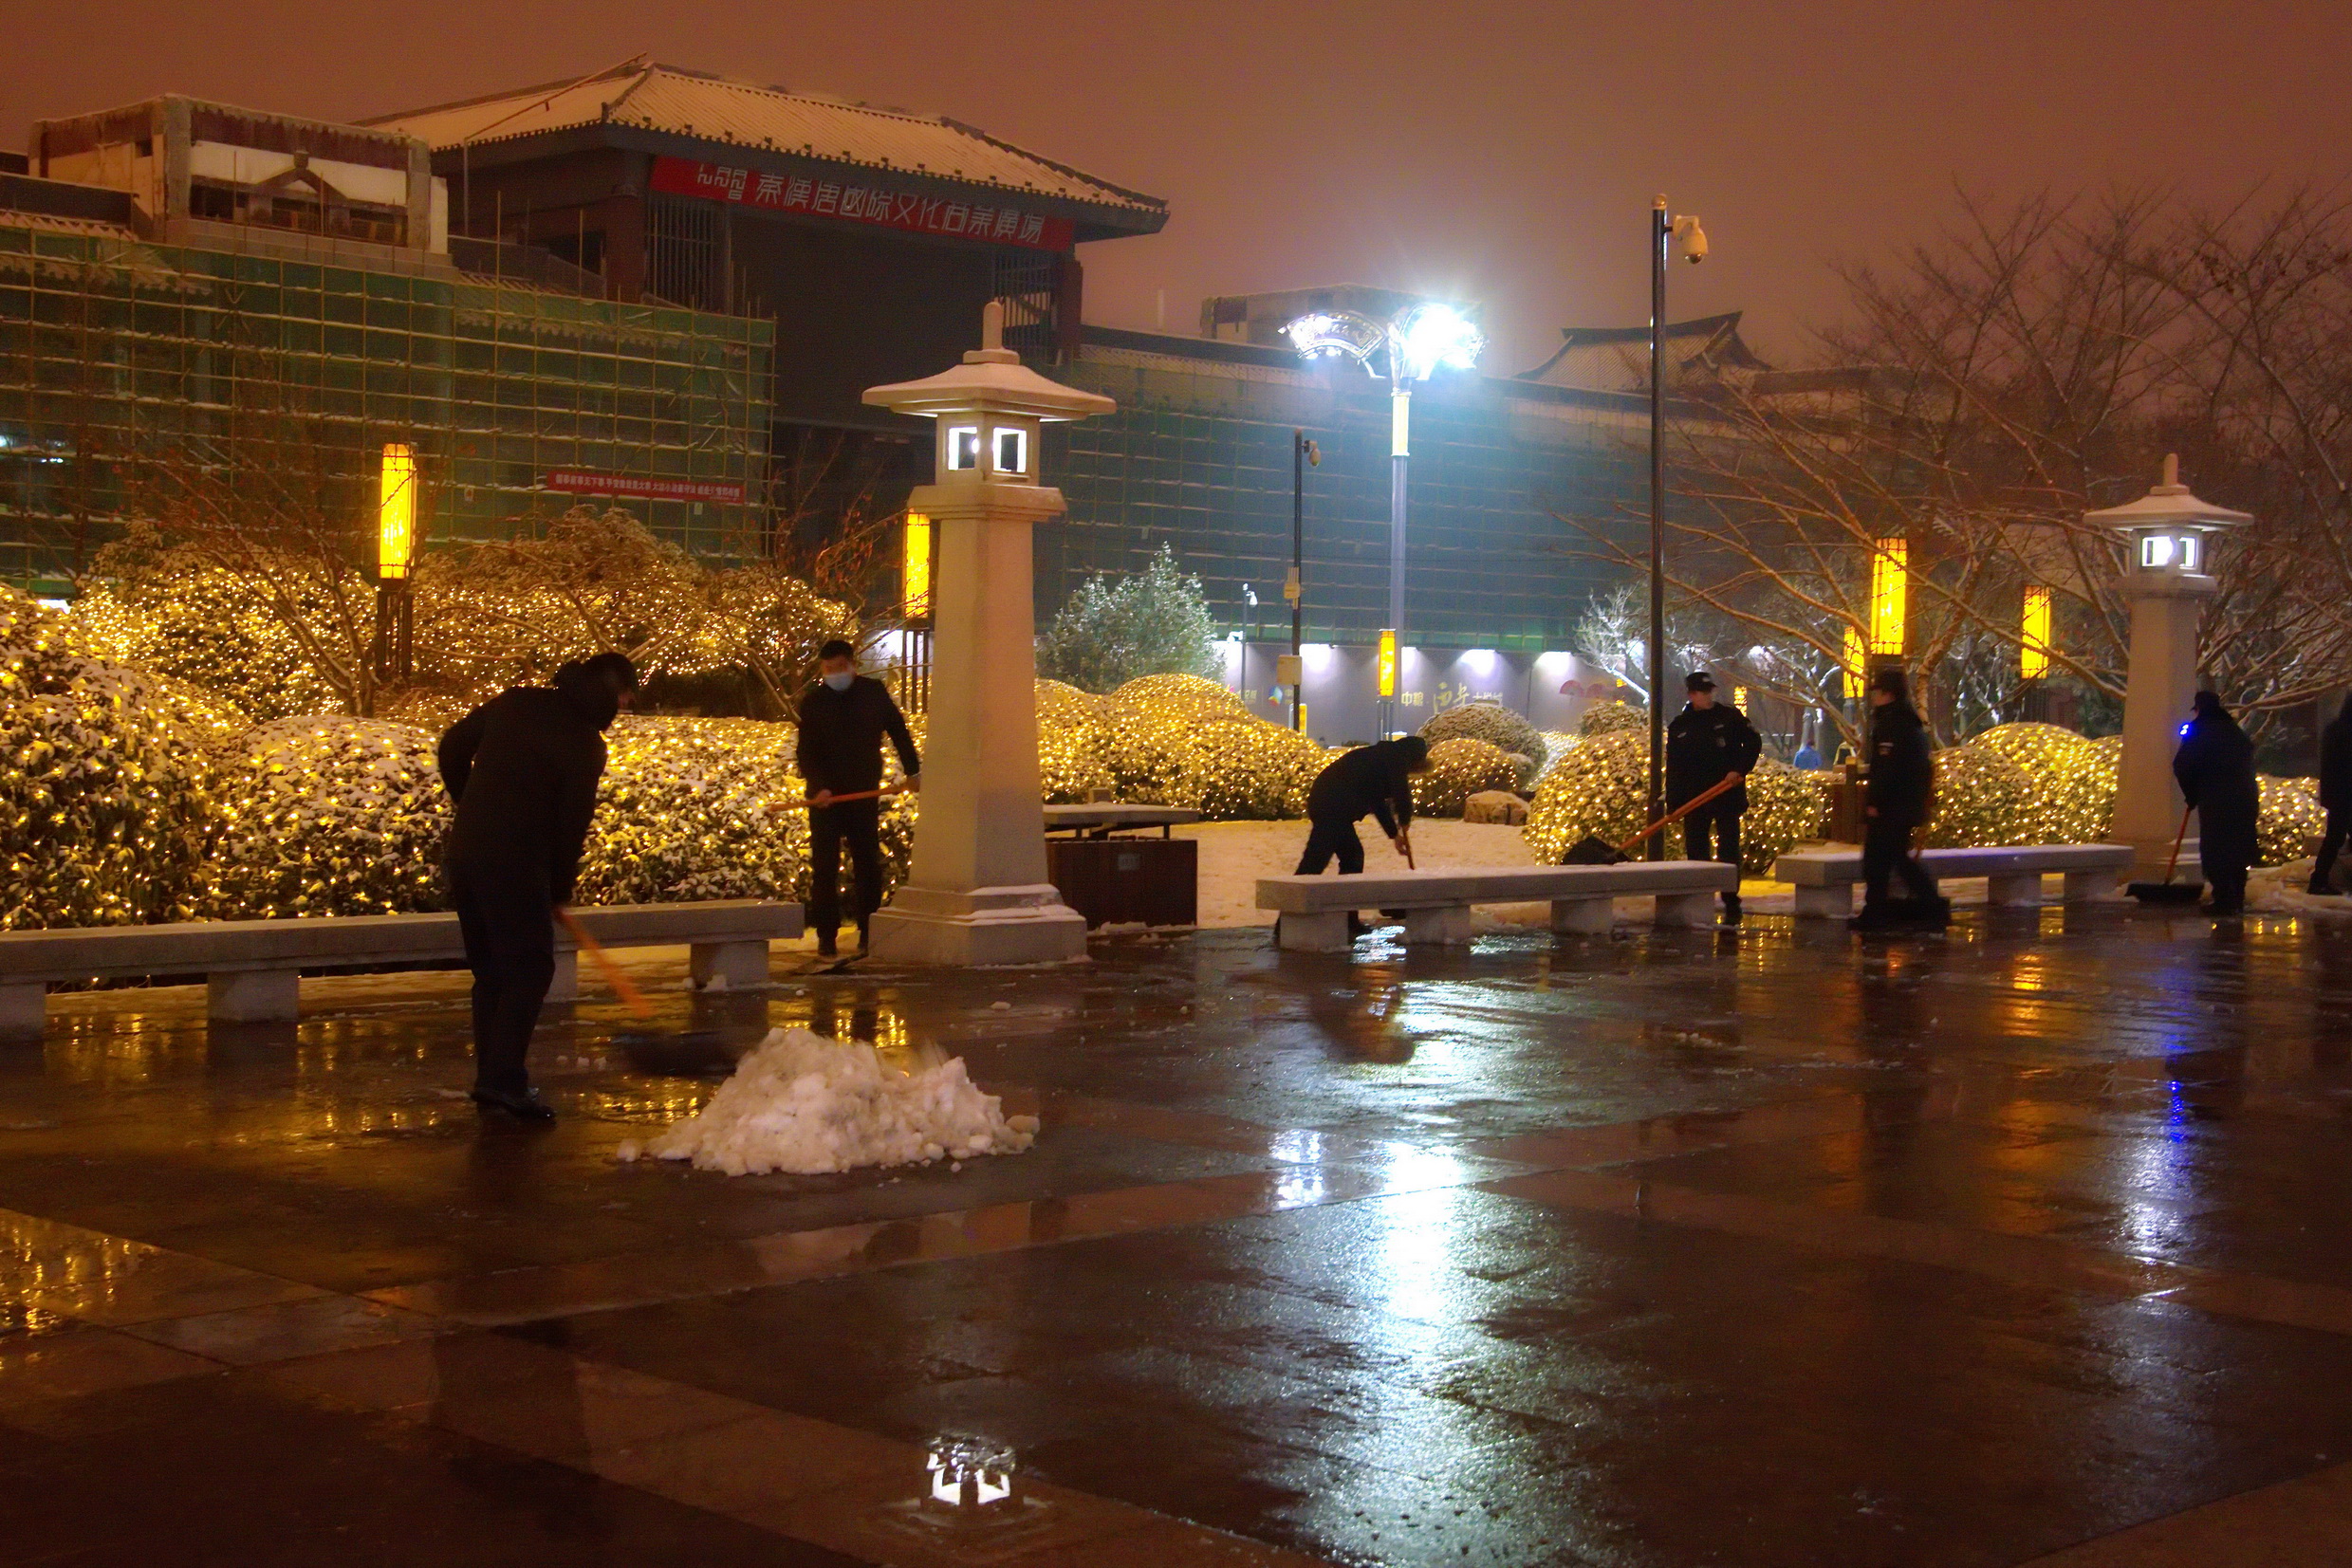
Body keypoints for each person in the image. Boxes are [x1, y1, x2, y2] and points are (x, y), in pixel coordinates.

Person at [437, 653, 639, 1122]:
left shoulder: (516, 702)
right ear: (611, 691)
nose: (625, 707)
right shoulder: (585, 744)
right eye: (626, 697)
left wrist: (469, 804)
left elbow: (452, 746)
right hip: (517, 862)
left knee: (492, 972)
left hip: (467, 854)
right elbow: (571, 826)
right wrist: (558, 887)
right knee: (529, 970)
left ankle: (493, 1077)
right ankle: (502, 1080)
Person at [796, 639, 920, 957]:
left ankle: (868, 930)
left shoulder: (872, 694)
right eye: (827, 669)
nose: (834, 674)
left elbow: (898, 730)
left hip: (863, 791)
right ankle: (827, 936)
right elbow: (806, 751)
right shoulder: (814, 702)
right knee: (825, 867)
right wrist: (819, 786)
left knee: (867, 863)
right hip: (824, 798)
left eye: (839, 667)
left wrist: (913, 771)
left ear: (852, 665)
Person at [1289, 736, 1433, 940]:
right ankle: (1287, 921)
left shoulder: (1381, 758)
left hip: (1332, 804)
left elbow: (1376, 801)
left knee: (1352, 857)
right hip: (1332, 806)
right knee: (1315, 862)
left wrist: (1394, 834)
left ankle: (1349, 919)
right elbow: (1401, 792)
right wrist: (1405, 817)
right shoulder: (1395, 759)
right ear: (1414, 759)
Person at [1851, 667, 1948, 931]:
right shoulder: (1906, 721)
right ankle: (1917, 907)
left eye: (1877, 691)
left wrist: (1875, 802)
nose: (1874, 697)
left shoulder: (1894, 724)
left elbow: (1887, 768)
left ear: (1887, 693)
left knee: (1880, 861)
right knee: (1892, 859)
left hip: (1892, 807)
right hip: (1903, 806)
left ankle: (1887, 911)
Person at [1666, 672, 1762, 923]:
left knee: (1729, 849)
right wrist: (1674, 804)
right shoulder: (1680, 726)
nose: (1708, 696)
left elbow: (1753, 743)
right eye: (1702, 692)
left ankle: (1731, 900)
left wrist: (1739, 770)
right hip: (1694, 798)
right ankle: (1701, 897)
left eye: (1710, 691)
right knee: (1697, 850)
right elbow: (1674, 767)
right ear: (1691, 695)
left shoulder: (1730, 717)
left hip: (1726, 795)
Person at [2175, 690, 2259, 917]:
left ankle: (2223, 898)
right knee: (2237, 848)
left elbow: (2182, 765)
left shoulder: (2197, 730)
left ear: (2199, 709)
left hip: (2216, 799)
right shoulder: (2235, 731)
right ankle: (2237, 897)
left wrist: (2192, 794)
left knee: (2216, 849)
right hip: (2244, 798)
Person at [2311, 696, 2352, 895]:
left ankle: (2318, 880)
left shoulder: (2335, 730)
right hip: (2345, 793)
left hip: (2338, 794)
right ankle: (2318, 880)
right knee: (2334, 838)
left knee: (2333, 838)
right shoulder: (2345, 733)